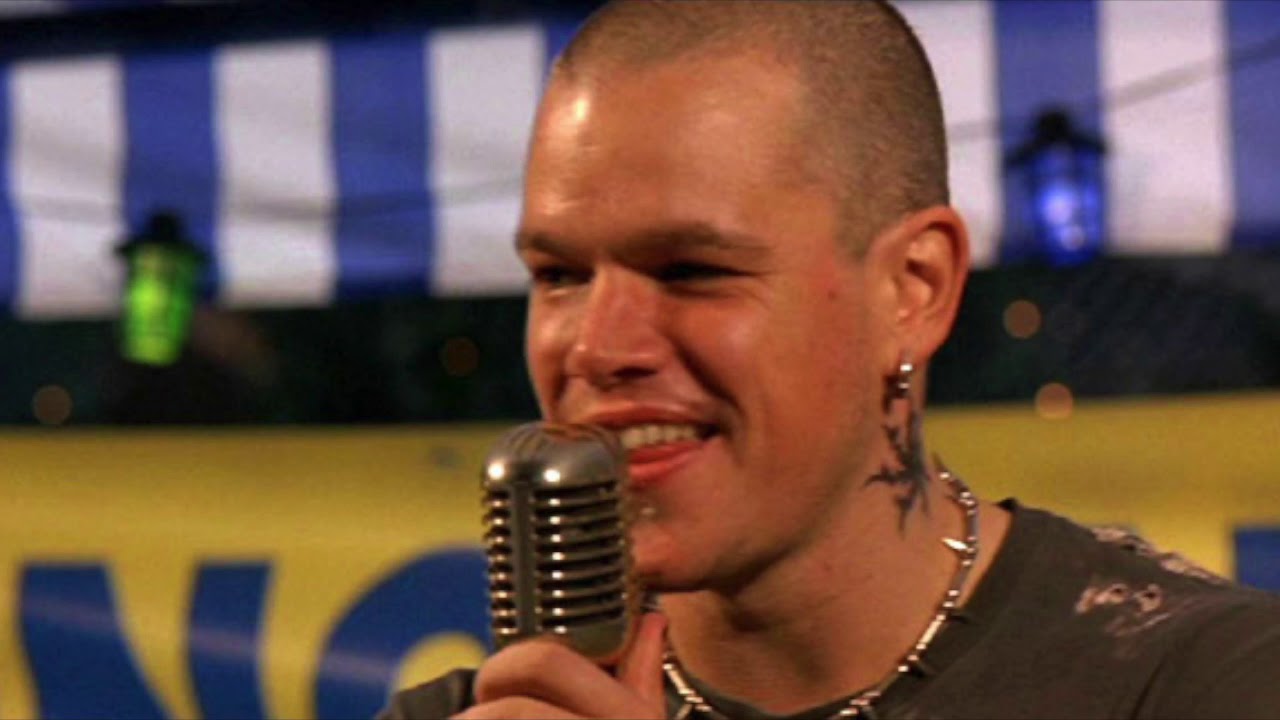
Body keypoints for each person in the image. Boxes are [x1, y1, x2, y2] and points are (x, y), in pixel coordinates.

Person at [382, 1, 1280, 717]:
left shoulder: (1203, 684)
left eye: (692, 270)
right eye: (560, 275)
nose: (597, 346)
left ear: (913, 288)